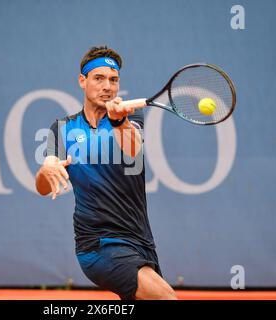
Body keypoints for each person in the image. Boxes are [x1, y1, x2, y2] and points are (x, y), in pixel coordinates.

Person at [35, 45, 177, 300]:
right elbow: (43, 188)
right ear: (82, 81)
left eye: (113, 80)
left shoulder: (130, 118)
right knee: (166, 298)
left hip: (141, 240)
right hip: (97, 245)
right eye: (98, 78)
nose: (107, 86)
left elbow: (132, 148)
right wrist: (47, 168)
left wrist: (119, 120)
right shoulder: (62, 128)